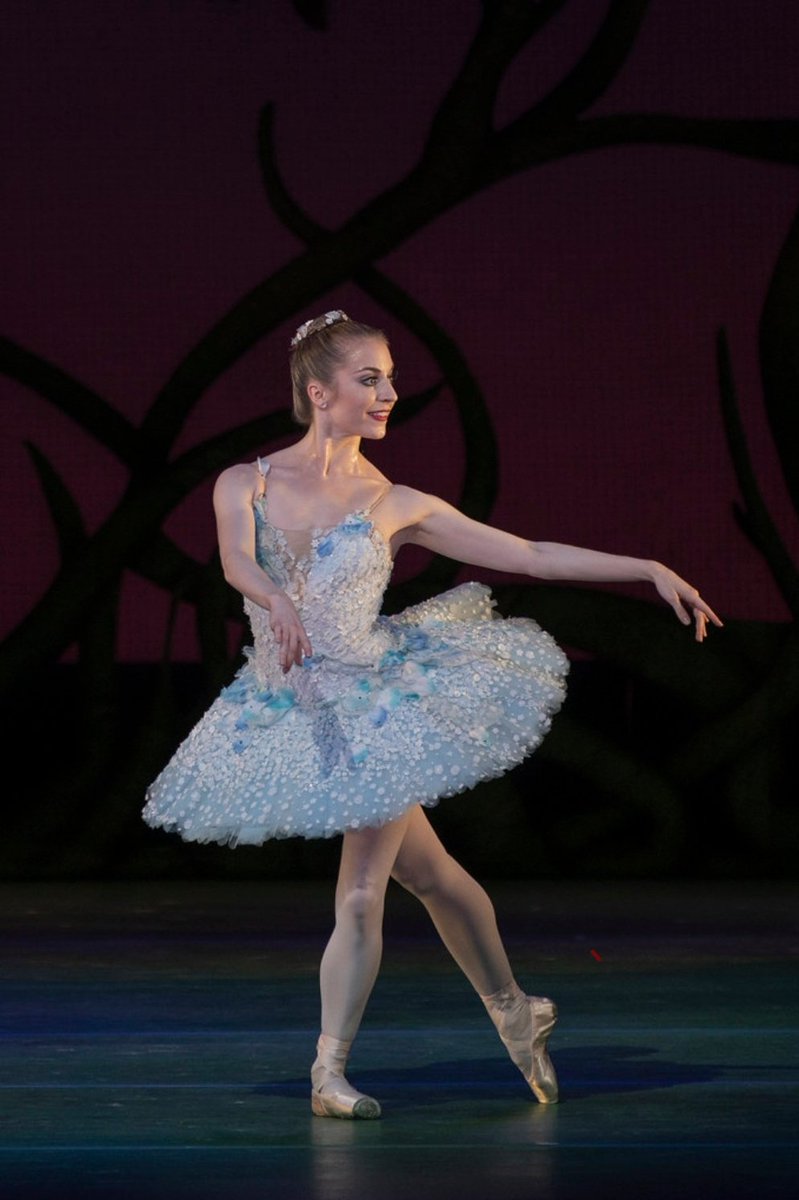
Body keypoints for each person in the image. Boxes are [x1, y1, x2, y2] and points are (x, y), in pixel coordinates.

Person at [142, 309, 722, 1119]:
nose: (389, 394)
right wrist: (274, 597)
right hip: (289, 706)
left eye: (390, 377)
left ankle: (327, 1075)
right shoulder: (247, 481)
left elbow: (527, 555)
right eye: (369, 378)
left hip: (374, 707)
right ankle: (517, 1010)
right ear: (319, 391)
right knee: (433, 876)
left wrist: (645, 566)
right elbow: (238, 558)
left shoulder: (397, 502)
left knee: (359, 895)